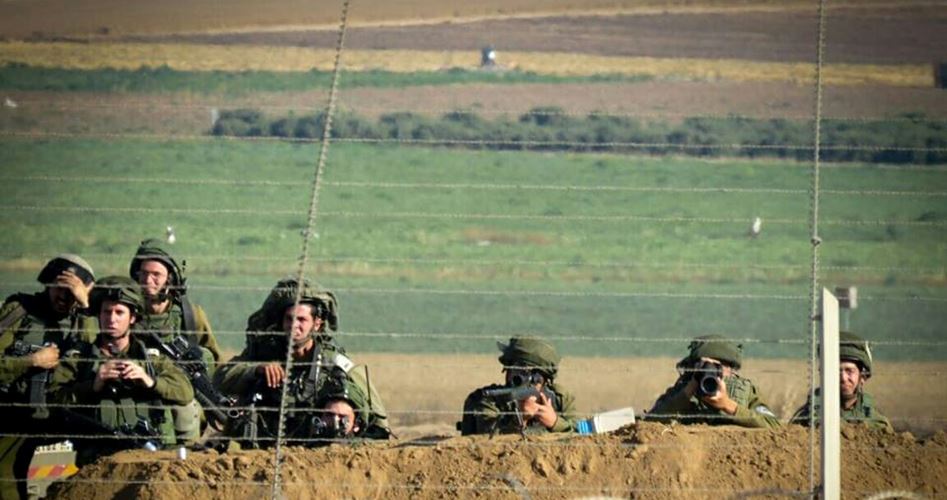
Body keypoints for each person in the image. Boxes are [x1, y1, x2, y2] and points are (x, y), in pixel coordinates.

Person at [215, 278, 389, 447]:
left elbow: (379, 423)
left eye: (301, 320)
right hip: (262, 446)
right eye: (289, 319)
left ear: (317, 324)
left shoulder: (334, 362)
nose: (294, 326)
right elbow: (220, 378)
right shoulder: (265, 353)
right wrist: (257, 370)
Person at [53, 276, 194, 465]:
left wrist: (150, 381)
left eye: (119, 312)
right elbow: (52, 402)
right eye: (106, 312)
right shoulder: (80, 360)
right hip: (97, 460)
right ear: (99, 315)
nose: (112, 319)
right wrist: (92, 386)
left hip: (152, 457)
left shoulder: (151, 358)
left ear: (132, 317)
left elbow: (185, 392)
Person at [0, 255, 96, 500]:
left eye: (72, 292)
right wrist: (31, 361)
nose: (64, 297)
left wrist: (85, 305)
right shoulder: (20, 311)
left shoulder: (84, 323)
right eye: (60, 288)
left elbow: (95, 356)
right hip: (14, 414)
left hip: (59, 414)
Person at [129, 239, 219, 441]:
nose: (148, 280)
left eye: (156, 275)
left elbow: (213, 360)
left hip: (182, 397)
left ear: (169, 279)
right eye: (143, 274)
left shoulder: (190, 315)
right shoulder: (125, 313)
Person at [647, 335, 780, 429]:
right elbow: (649, 423)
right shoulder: (682, 388)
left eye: (717, 366)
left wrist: (728, 405)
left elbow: (774, 426)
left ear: (730, 370)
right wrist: (687, 393)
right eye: (703, 365)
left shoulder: (745, 392)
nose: (709, 370)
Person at [459, 336, 576, 436]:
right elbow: (489, 442)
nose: (524, 383)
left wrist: (555, 422)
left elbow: (581, 436)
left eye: (535, 380)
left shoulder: (560, 398)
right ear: (508, 371)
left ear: (545, 381)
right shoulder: (488, 400)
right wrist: (520, 419)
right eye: (517, 372)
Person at [791, 331, 892, 430]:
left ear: (862, 377)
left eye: (849, 371)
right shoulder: (806, 420)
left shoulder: (877, 424)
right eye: (836, 371)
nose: (843, 378)